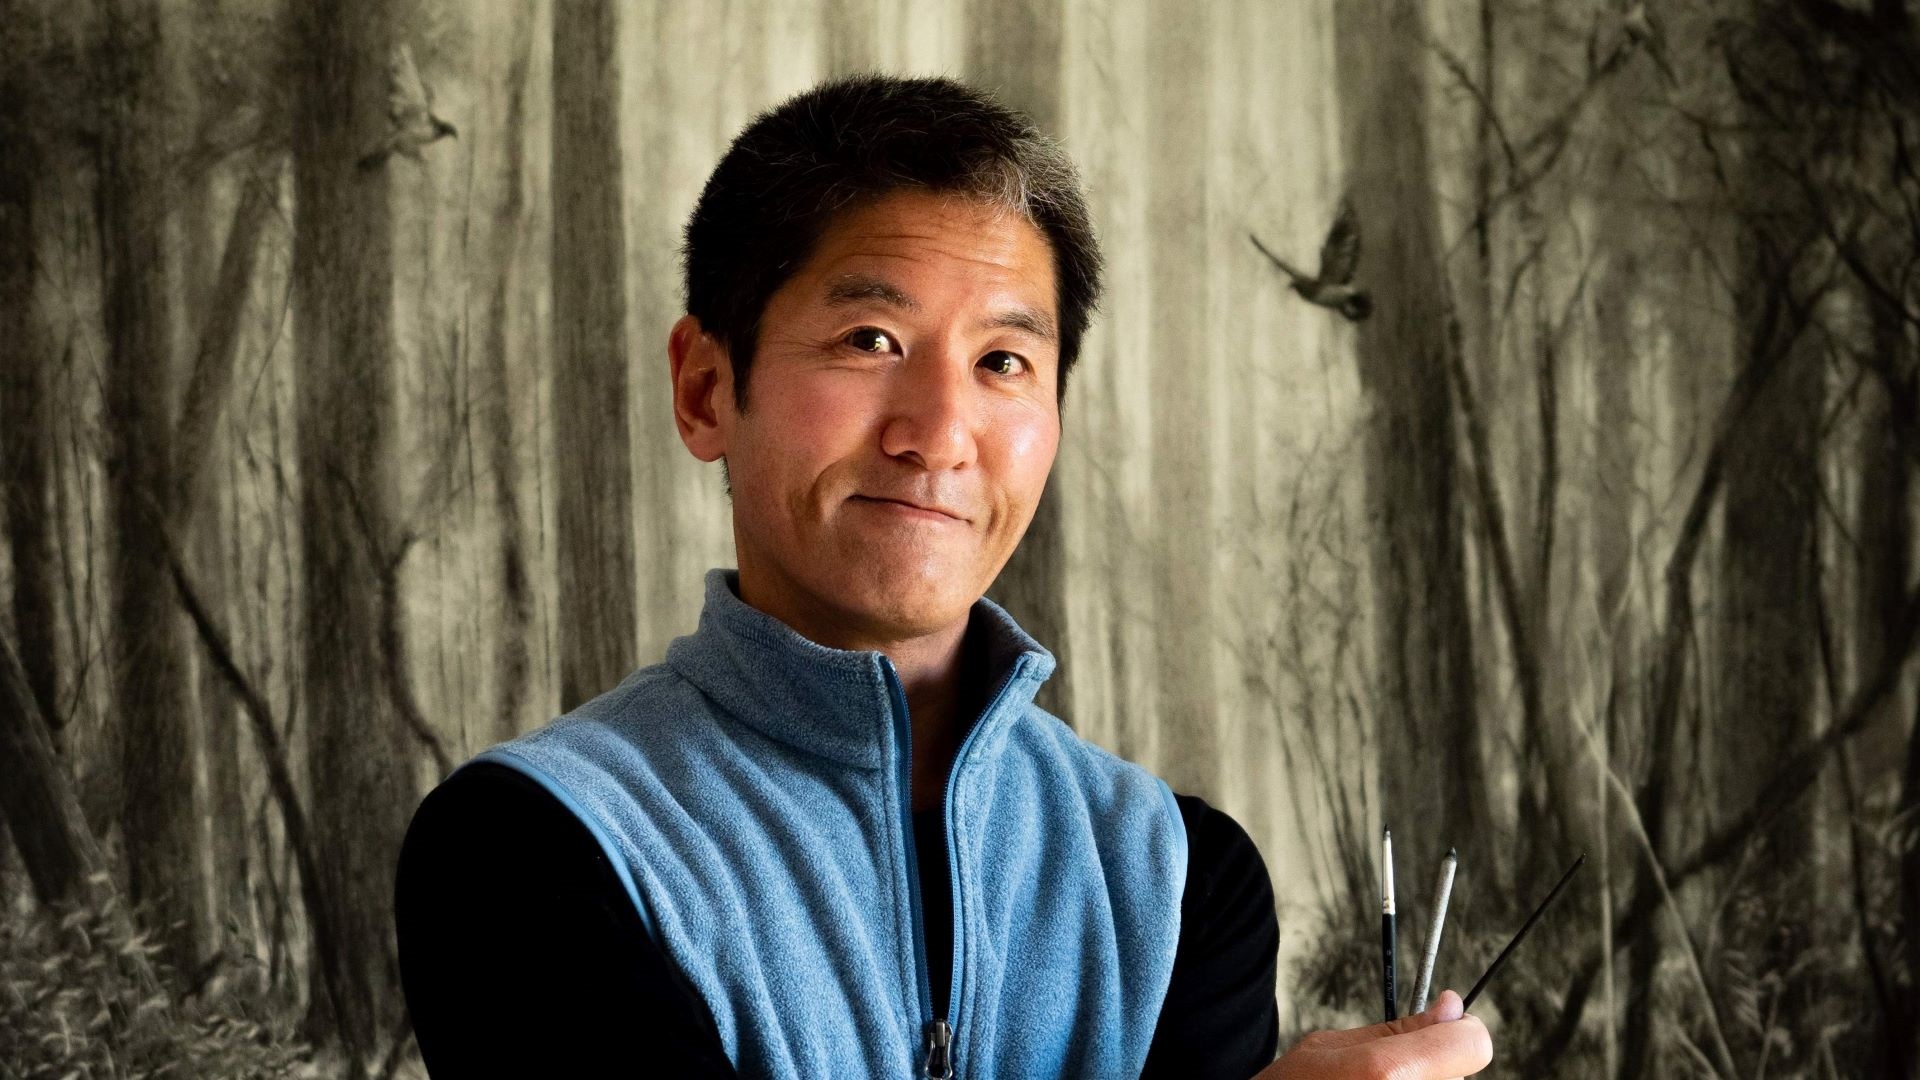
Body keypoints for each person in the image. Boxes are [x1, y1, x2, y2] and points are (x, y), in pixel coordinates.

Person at [393, 73, 1493, 1080]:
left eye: (1004, 362)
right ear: (706, 390)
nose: (939, 433)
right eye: (870, 339)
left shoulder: (1177, 879)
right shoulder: (531, 846)